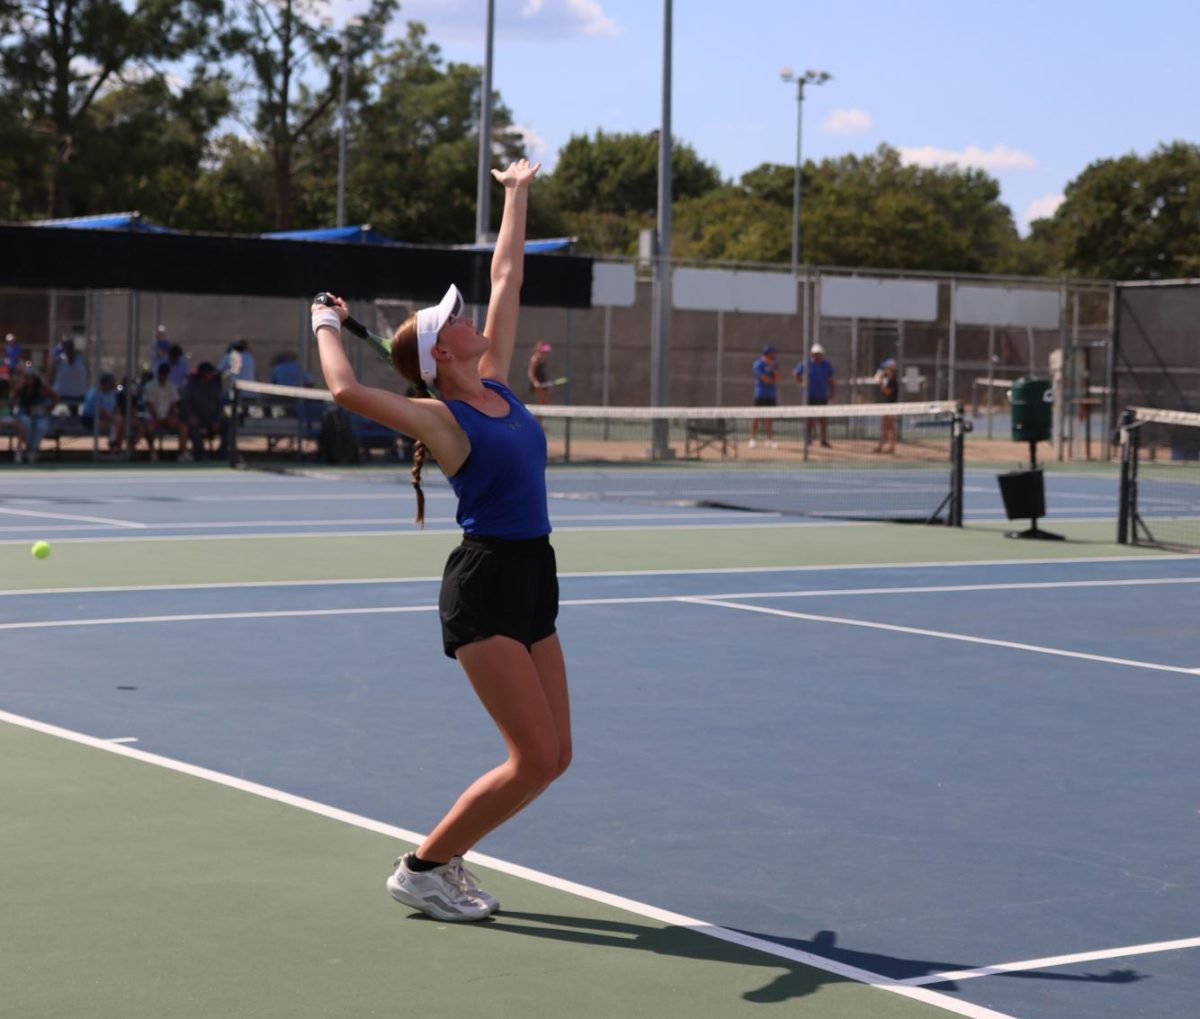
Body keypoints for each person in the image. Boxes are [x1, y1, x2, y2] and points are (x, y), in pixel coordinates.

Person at [311, 159, 566, 923]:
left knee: (556, 758)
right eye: (455, 318)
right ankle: (424, 866)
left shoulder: (494, 381)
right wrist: (326, 323)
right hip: (485, 587)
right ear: (442, 355)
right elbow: (348, 391)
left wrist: (516, 193)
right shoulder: (445, 419)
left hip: (535, 573)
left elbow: (509, 273)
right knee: (532, 758)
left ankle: (440, 863)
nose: (470, 315)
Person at [143, 362, 193, 462]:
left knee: (183, 428)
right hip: (153, 418)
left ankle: (182, 453)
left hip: (169, 417)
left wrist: (169, 417)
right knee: (149, 428)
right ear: (158, 374)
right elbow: (149, 405)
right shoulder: (149, 386)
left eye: (165, 374)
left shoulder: (172, 386)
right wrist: (157, 418)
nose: (163, 376)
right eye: (161, 374)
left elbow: (173, 404)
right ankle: (153, 452)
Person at [180, 361, 226, 459]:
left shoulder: (216, 386)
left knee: (228, 424)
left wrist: (217, 420)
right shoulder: (191, 387)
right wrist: (191, 416)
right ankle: (201, 454)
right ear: (203, 374)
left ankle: (222, 453)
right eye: (209, 373)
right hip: (198, 419)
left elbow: (220, 405)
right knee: (192, 427)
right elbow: (185, 404)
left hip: (213, 420)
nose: (211, 375)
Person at [793, 342, 836, 448]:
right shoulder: (806, 363)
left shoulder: (827, 365)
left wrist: (832, 392)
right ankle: (808, 438)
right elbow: (796, 373)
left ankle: (823, 439)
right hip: (810, 395)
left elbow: (831, 380)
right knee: (810, 418)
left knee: (823, 419)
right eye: (815, 354)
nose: (817, 356)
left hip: (822, 396)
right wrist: (801, 383)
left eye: (818, 354)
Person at [12, 366, 58, 463]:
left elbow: (56, 397)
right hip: (24, 414)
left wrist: (50, 409)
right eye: (27, 377)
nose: (30, 380)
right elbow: (12, 397)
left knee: (40, 427)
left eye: (32, 378)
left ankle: (33, 451)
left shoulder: (42, 388)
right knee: (26, 424)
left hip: (40, 414)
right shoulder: (21, 387)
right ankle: (30, 449)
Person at [750, 344, 779, 449]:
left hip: (771, 395)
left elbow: (778, 377)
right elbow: (763, 378)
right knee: (756, 417)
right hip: (760, 394)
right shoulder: (758, 364)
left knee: (769, 418)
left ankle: (769, 440)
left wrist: (773, 369)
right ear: (767, 354)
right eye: (772, 353)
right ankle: (752, 439)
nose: (774, 354)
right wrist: (771, 380)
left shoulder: (774, 364)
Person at [52, 338, 89, 414]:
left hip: (61, 395)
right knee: (72, 412)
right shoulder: (81, 359)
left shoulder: (60, 360)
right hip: (78, 394)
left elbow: (52, 374)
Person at [874, 357, 899, 453]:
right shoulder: (890, 379)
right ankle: (885, 446)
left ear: (890, 369)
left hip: (891, 407)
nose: (885, 370)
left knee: (888, 427)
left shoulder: (893, 380)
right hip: (887, 407)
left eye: (886, 368)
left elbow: (887, 392)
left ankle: (884, 446)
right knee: (887, 427)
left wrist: (880, 383)